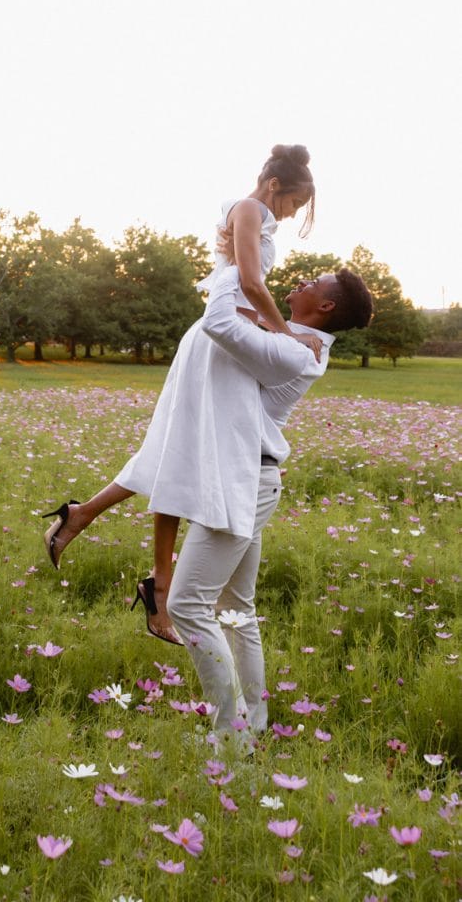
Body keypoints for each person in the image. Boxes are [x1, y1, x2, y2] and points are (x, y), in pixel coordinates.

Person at [43, 145, 319, 642]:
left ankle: (97, 529)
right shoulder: (251, 210)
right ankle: (156, 581)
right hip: (219, 343)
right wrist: (285, 333)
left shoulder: (248, 213)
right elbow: (252, 285)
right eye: (294, 203)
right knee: (179, 453)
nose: (291, 214)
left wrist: (268, 327)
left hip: (223, 341)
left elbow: (243, 290)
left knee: (175, 451)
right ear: (276, 185)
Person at [164, 264, 372, 746]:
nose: (298, 283)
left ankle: (230, 740)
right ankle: (250, 728)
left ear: (325, 307)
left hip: (244, 482)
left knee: (186, 605)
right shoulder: (287, 337)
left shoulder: (292, 348)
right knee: (237, 609)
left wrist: (234, 269)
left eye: (311, 284)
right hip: (251, 478)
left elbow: (219, 321)